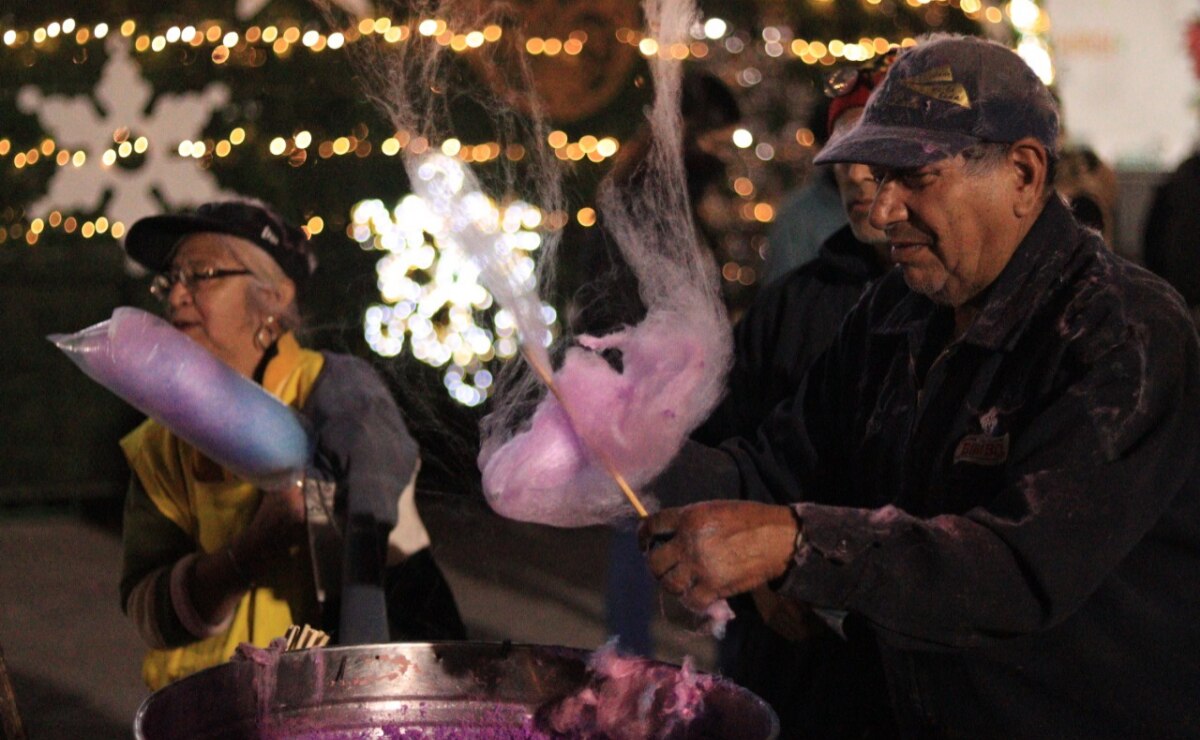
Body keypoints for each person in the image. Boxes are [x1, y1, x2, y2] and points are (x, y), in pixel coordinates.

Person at [642, 35, 1200, 737]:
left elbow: (1015, 571)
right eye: (874, 178)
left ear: (1024, 175)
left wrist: (796, 544)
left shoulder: (1121, 330)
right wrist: (626, 454)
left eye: (915, 178)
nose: (881, 211)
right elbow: (775, 466)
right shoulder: (893, 314)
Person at [118, 199, 465, 690]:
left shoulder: (340, 401)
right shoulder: (159, 443)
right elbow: (146, 613)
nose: (175, 296)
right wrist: (244, 558)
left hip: (317, 707)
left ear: (275, 298)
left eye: (201, 275)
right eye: (169, 279)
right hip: (205, 712)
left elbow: (385, 561)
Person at [692, 50, 898, 739]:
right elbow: (734, 445)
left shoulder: (968, 308)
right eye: (847, 146)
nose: (860, 173)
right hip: (789, 647)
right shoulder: (793, 305)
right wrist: (755, 581)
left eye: (881, 145)